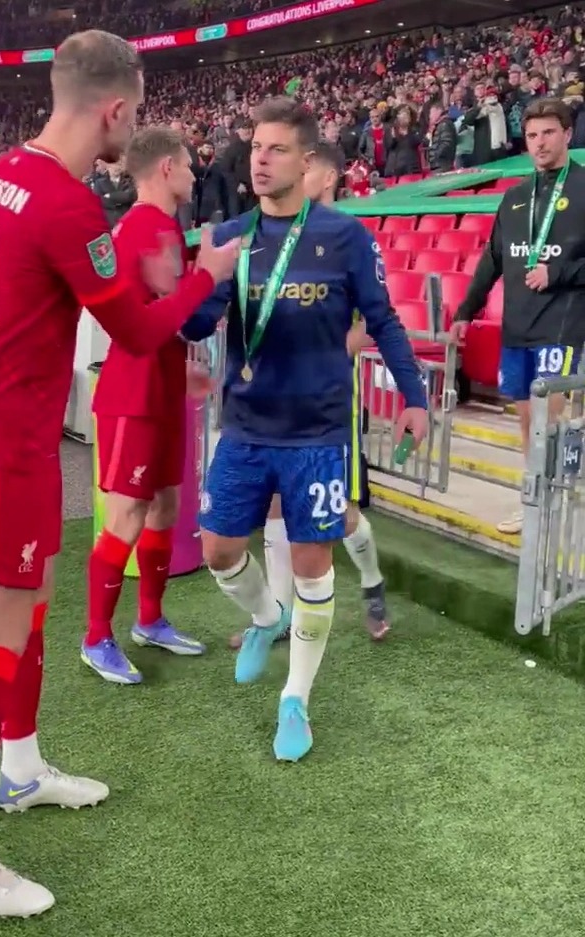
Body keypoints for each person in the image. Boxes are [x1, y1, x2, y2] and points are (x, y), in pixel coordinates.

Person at [0, 30, 239, 917]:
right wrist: (204, 273)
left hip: (1, 420)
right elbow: (141, 332)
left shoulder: (1, 170)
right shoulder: (65, 205)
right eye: (132, 113)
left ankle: (19, 768)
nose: (131, 127)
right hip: (1, 434)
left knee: (30, 608)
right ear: (114, 109)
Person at [196, 98, 428, 763]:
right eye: (255, 149)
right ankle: (267, 619)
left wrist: (412, 394)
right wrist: (196, 287)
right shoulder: (231, 236)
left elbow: (383, 320)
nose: (260, 160)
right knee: (218, 550)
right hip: (243, 427)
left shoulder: (345, 237)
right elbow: (192, 326)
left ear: (307, 161)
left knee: (310, 565)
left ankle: (295, 698)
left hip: (318, 433)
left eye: (275, 149)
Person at [230, 142, 389, 649]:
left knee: (341, 514)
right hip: (273, 403)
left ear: (325, 177)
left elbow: (376, 315)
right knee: (277, 505)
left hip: (327, 403)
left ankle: (371, 579)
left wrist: (346, 338)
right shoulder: (270, 235)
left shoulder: (349, 238)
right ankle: (277, 614)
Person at [83, 126, 215, 684]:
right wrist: (209, 275)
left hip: (162, 388)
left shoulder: (163, 228)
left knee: (164, 505)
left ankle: (151, 619)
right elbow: (144, 324)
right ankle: (95, 638)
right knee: (127, 515)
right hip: (132, 395)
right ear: (165, 168)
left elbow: (170, 318)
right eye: (187, 165)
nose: (192, 174)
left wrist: (187, 359)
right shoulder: (141, 231)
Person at [451, 97, 585, 536]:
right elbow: (492, 260)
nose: (540, 143)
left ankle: (552, 504)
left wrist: (558, 271)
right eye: (532, 135)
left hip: (562, 323)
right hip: (519, 326)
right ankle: (536, 501)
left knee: (551, 417)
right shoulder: (514, 197)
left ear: (567, 134)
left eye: (549, 132)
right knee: (529, 419)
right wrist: (466, 312)